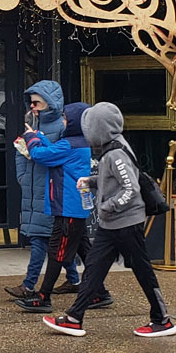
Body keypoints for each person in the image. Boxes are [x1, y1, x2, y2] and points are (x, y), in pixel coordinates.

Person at [43, 101, 176, 338]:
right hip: (113, 223)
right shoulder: (112, 147)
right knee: (94, 268)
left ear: (97, 128)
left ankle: (162, 319)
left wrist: (108, 206)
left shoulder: (115, 153)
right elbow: (115, 180)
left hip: (125, 224)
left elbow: (130, 188)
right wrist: (91, 181)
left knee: (142, 271)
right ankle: (75, 317)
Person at [14, 102, 112, 314]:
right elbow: (52, 150)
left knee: (57, 251)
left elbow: (43, 155)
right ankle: (100, 292)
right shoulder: (78, 142)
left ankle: (43, 296)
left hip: (67, 206)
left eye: (66, 119)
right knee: (84, 249)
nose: (64, 122)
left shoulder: (70, 145)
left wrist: (30, 137)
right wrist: (38, 136)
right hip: (73, 206)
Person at [5, 80, 80, 300]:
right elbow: (20, 149)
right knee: (52, 240)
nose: (33, 107)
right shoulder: (32, 124)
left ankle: (29, 285)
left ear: (50, 102)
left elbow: (55, 156)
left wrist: (36, 144)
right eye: (31, 103)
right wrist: (22, 175)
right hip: (33, 186)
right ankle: (74, 279)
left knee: (40, 238)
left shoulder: (63, 127)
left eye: (37, 102)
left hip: (50, 190)